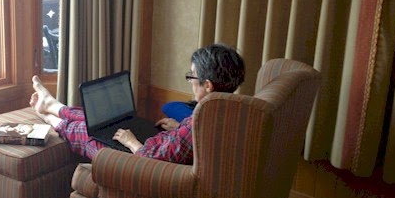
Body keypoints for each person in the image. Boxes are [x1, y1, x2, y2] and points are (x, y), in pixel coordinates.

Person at [30, 43, 245, 165]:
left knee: (87, 133)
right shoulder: (230, 110)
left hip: (139, 162)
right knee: (101, 122)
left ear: (207, 85)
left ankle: (48, 117)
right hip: (158, 143)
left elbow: (149, 159)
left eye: (192, 76)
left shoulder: (199, 122)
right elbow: (191, 141)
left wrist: (131, 142)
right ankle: (52, 105)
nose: (190, 81)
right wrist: (178, 128)